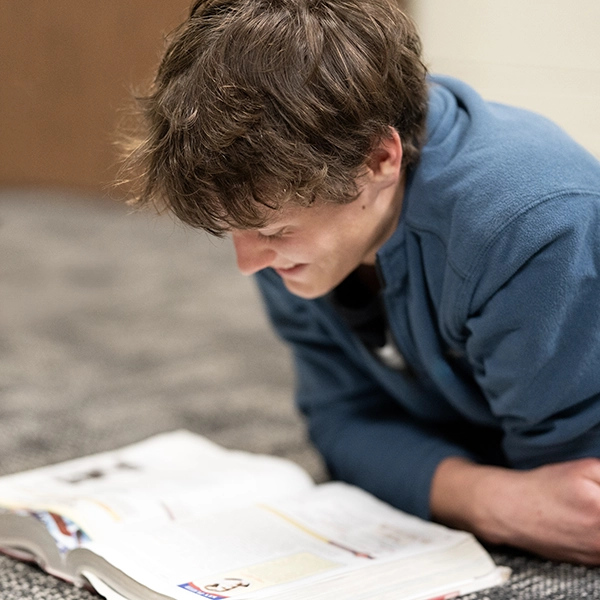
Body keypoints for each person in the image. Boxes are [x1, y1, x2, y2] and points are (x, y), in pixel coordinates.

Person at [123, 0, 600, 564]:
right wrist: (487, 500)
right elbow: (341, 422)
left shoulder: (531, 227)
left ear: (379, 159)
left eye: (273, 231)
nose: (248, 263)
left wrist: (433, 476)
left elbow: (575, 502)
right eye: (233, 231)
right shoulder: (295, 229)